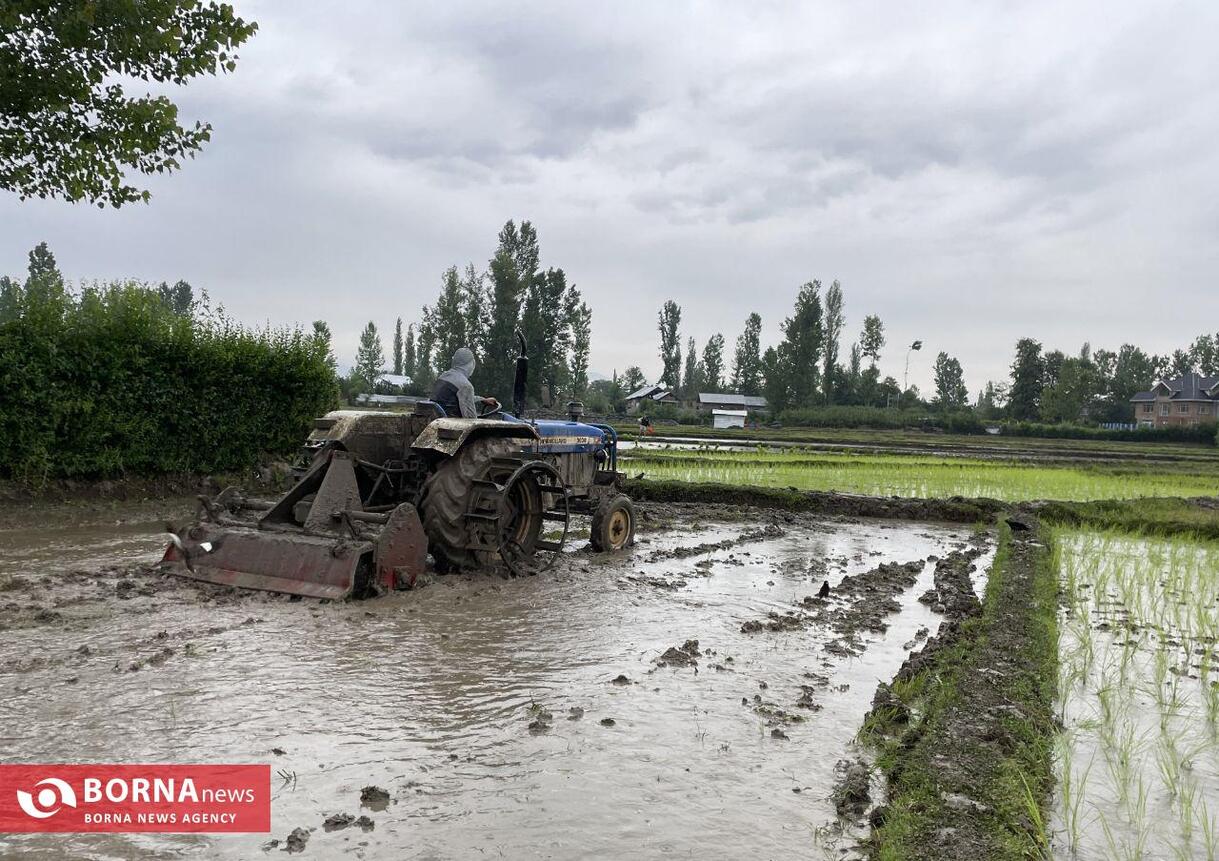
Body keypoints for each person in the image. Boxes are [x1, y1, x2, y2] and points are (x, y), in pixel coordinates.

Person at [431, 347, 499, 418]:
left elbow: (456, 399)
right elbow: (470, 420)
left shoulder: (442, 377)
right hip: (452, 426)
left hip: (436, 421)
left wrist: (483, 399)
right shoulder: (465, 386)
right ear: (471, 364)